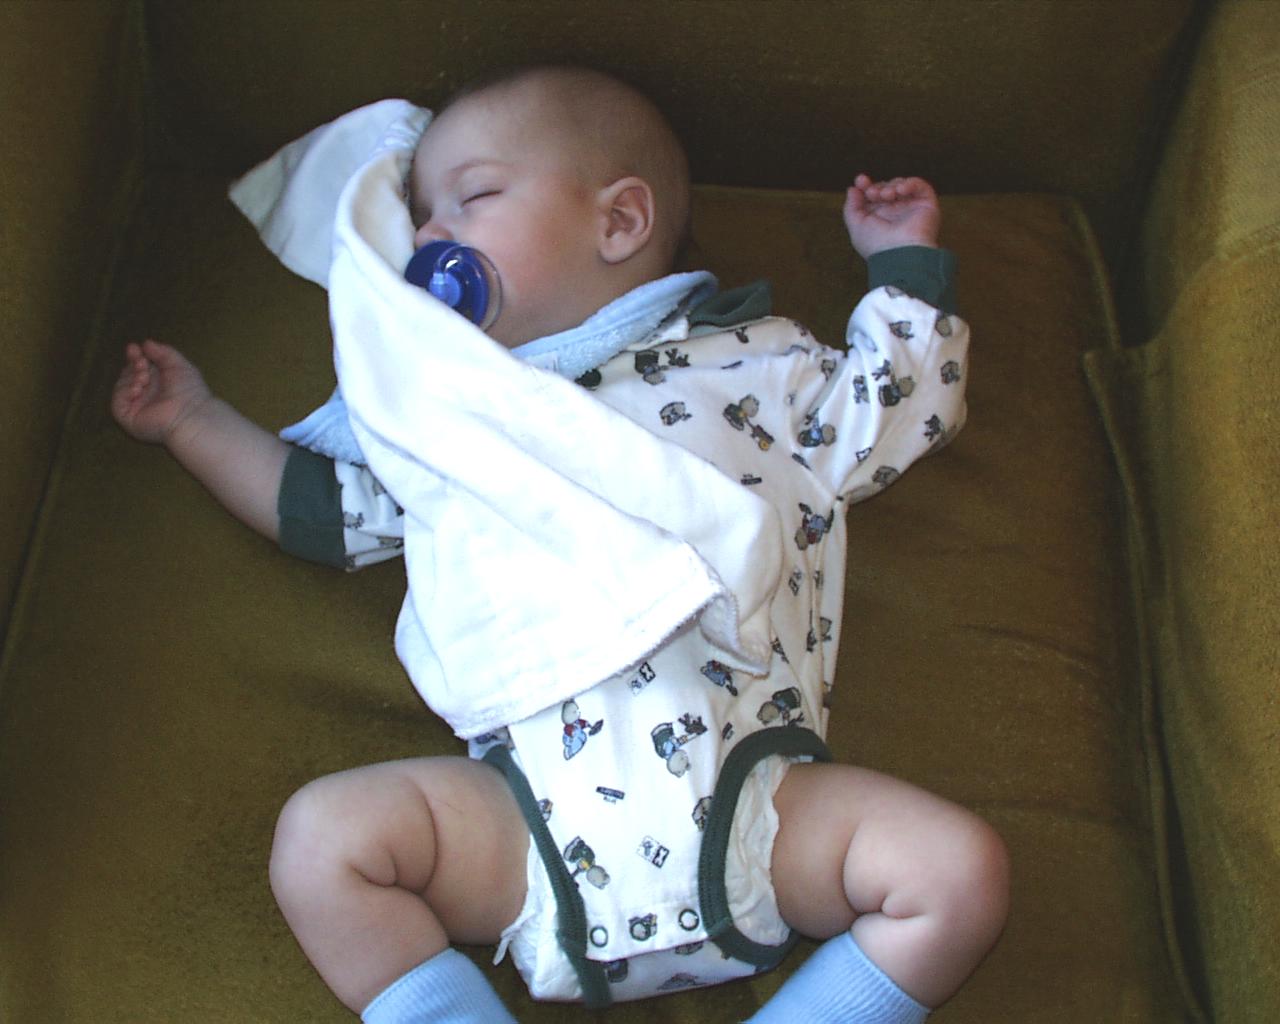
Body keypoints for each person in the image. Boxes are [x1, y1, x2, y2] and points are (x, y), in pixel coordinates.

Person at [112, 65, 1007, 1024]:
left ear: (619, 221)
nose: (430, 237)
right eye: (420, 218)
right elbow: (321, 510)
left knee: (959, 872)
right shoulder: (453, 416)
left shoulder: (759, 364)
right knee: (321, 840)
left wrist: (901, 263)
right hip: (528, 825)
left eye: (474, 198)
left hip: (760, 799)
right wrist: (194, 423)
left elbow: (893, 407)